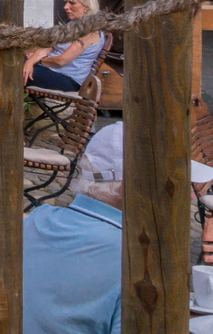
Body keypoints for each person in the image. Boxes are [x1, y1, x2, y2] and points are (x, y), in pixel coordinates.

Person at [23, 122, 213, 333]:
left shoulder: (36, 220)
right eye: (175, 184)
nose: (190, 196)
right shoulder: (140, 260)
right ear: (130, 190)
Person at [24, 0, 103, 92]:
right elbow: (49, 47)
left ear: (87, 7)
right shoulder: (72, 25)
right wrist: (31, 61)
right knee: (12, 61)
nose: (66, 7)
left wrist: (38, 61)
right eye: (66, 2)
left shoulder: (90, 31)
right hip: (50, 70)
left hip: (68, 79)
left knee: (14, 71)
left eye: (72, 3)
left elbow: (61, 61)